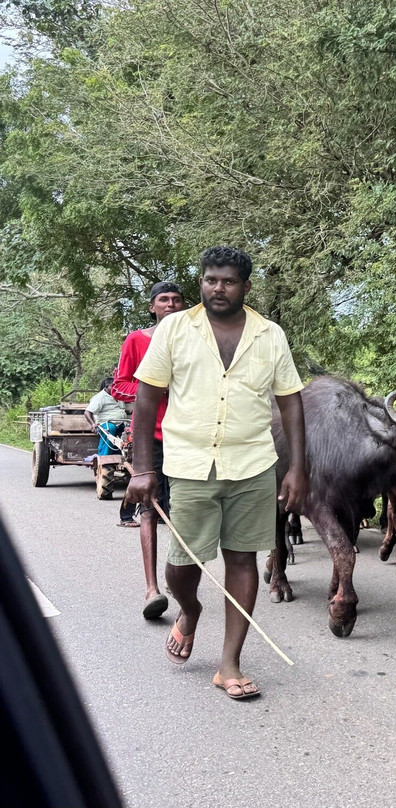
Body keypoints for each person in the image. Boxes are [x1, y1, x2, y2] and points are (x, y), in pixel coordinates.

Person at [126, 246, 307, 700]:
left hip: (253, 464)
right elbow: (147, 398)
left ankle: (229, 663)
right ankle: (190, 609)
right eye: (210, 279)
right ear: (201, 282)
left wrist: (298, 468)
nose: (217, 288)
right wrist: (143, 468)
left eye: (228, 281)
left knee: (242, 558)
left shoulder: (270, 335)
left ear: (245, 286)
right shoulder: (175, 329)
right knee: (181, 567)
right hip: (189, 464)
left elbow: (290, 402)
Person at [112, 281, 185, 615]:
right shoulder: (137, 339)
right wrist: (155, 387)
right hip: (150, 437)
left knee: (184, 511)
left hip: (187, 437)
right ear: (152, 307)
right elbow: (120, 384)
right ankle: (151, 589)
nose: (170, 304)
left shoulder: (194, 339)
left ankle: (177, 574)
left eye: (176, 300)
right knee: (149, 508)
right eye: (163, 300)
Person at [84, 377, 128, 456]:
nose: (115, 389)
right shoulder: (100, 397)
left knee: (131, 431)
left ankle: (123, 458)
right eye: (113, 387)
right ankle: (104, 458)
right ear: (106, 387)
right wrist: (93, 424)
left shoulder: (119, 395)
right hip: (106, 424)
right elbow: (87, 412)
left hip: (121, 423)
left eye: (116, 387)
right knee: (110, 428)